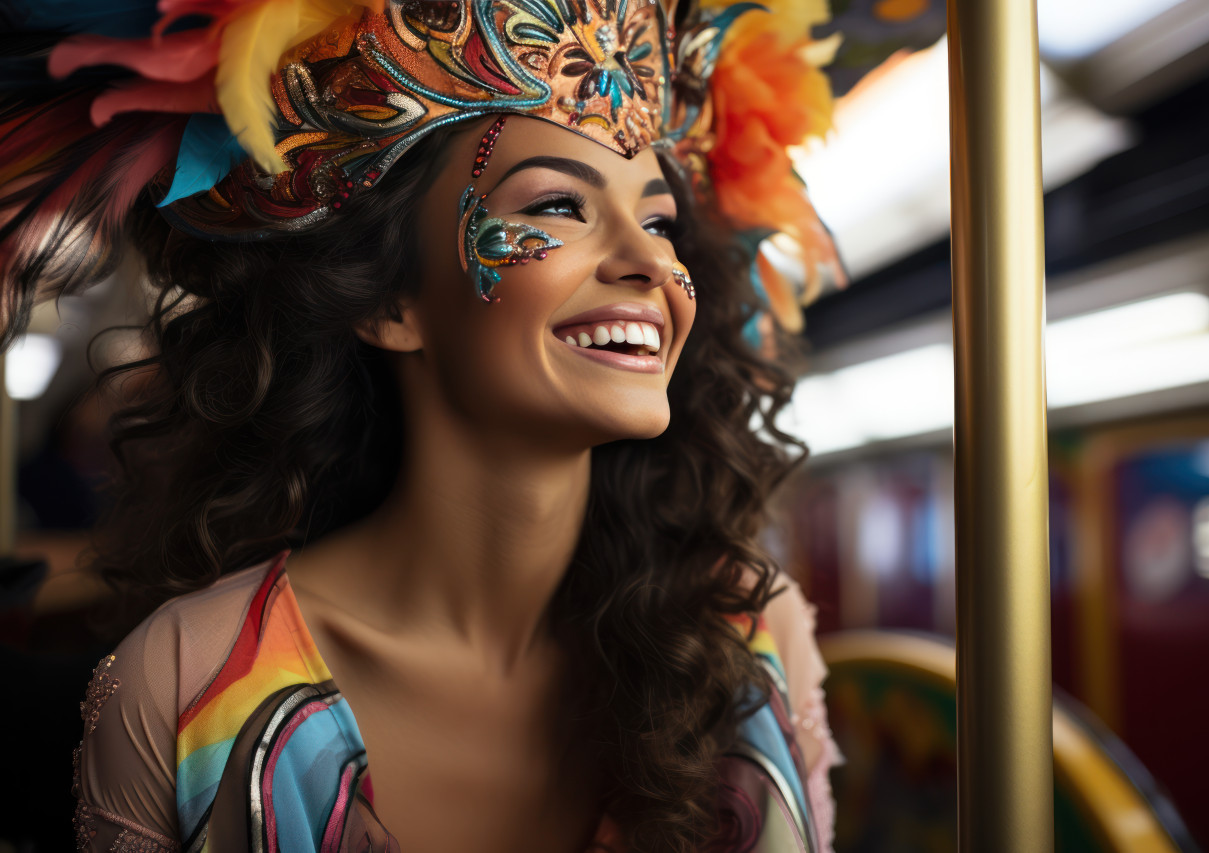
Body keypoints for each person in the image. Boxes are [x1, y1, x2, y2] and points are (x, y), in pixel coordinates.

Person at [1, 0, 845, 850]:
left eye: (660, 220)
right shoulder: (187, 685)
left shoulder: (751, 637)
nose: (650, 263)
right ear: (389, 300)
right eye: (558, 206)